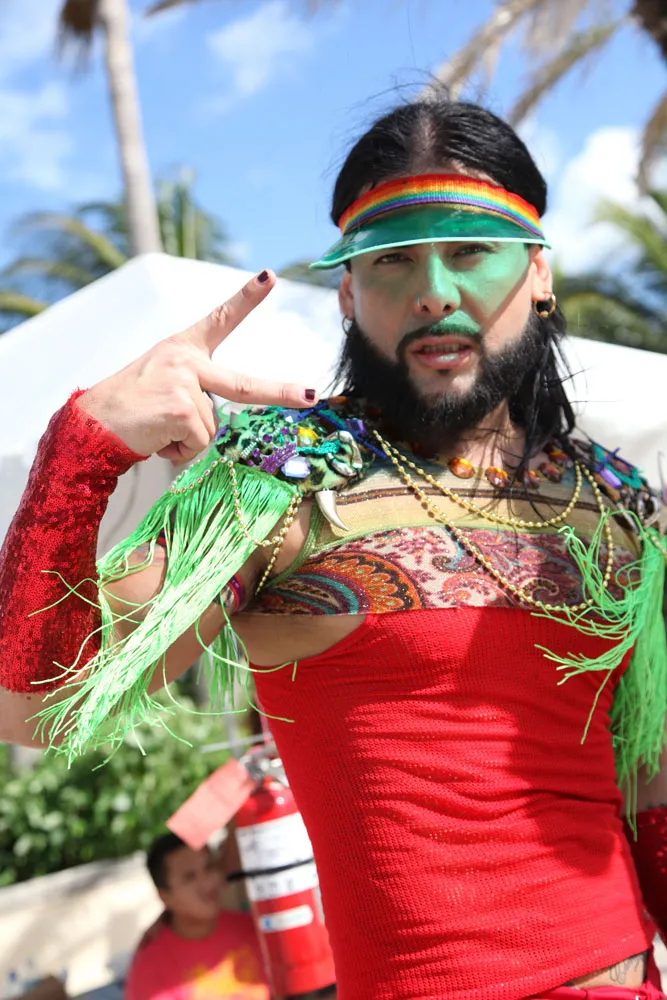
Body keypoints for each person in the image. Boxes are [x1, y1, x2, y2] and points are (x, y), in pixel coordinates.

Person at [1, 97, 666, 1000]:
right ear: (348, 292)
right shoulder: (274, 482)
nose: (434, 290)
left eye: (471, 248)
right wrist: (80, 450)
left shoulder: (615, 505)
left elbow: (651, 791)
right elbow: (34, 709)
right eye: (392, 258)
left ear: (537, 271)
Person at [125, 833, 269, 1000]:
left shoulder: (253, 927)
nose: (206, 882)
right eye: (189, 877)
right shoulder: (150, 969)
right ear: (165, 896)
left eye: (209, 867)